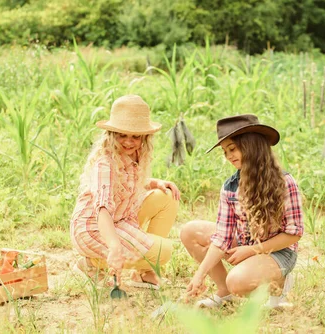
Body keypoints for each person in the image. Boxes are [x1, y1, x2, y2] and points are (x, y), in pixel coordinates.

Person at [180, 114, 304, 308]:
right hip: (246, 243)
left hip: (279, 251)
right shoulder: (230, 187)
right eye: (225, 151)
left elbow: (294, 234)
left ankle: (279, 282)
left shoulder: (284, 182)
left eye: (233, 148)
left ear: (252, 145)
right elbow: (222, 238)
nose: (229, 156)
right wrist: (199, 275)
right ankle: (224, 292)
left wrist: (251, 250)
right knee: (190, 231)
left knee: (238, 281)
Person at [70, 95, 180, 289]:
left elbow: (127, 184)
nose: (128, 142)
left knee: (166, 197)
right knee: (165, 251)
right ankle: (91, 264)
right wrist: (114, 246)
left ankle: (145, 272)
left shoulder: (133, 156)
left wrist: (155, 182)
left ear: (144, 138)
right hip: (94, 227)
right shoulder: (105, 164)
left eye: (135, 136)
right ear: (112, 135)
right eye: (123, 135)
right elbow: (102, 208)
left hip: (119, 218)